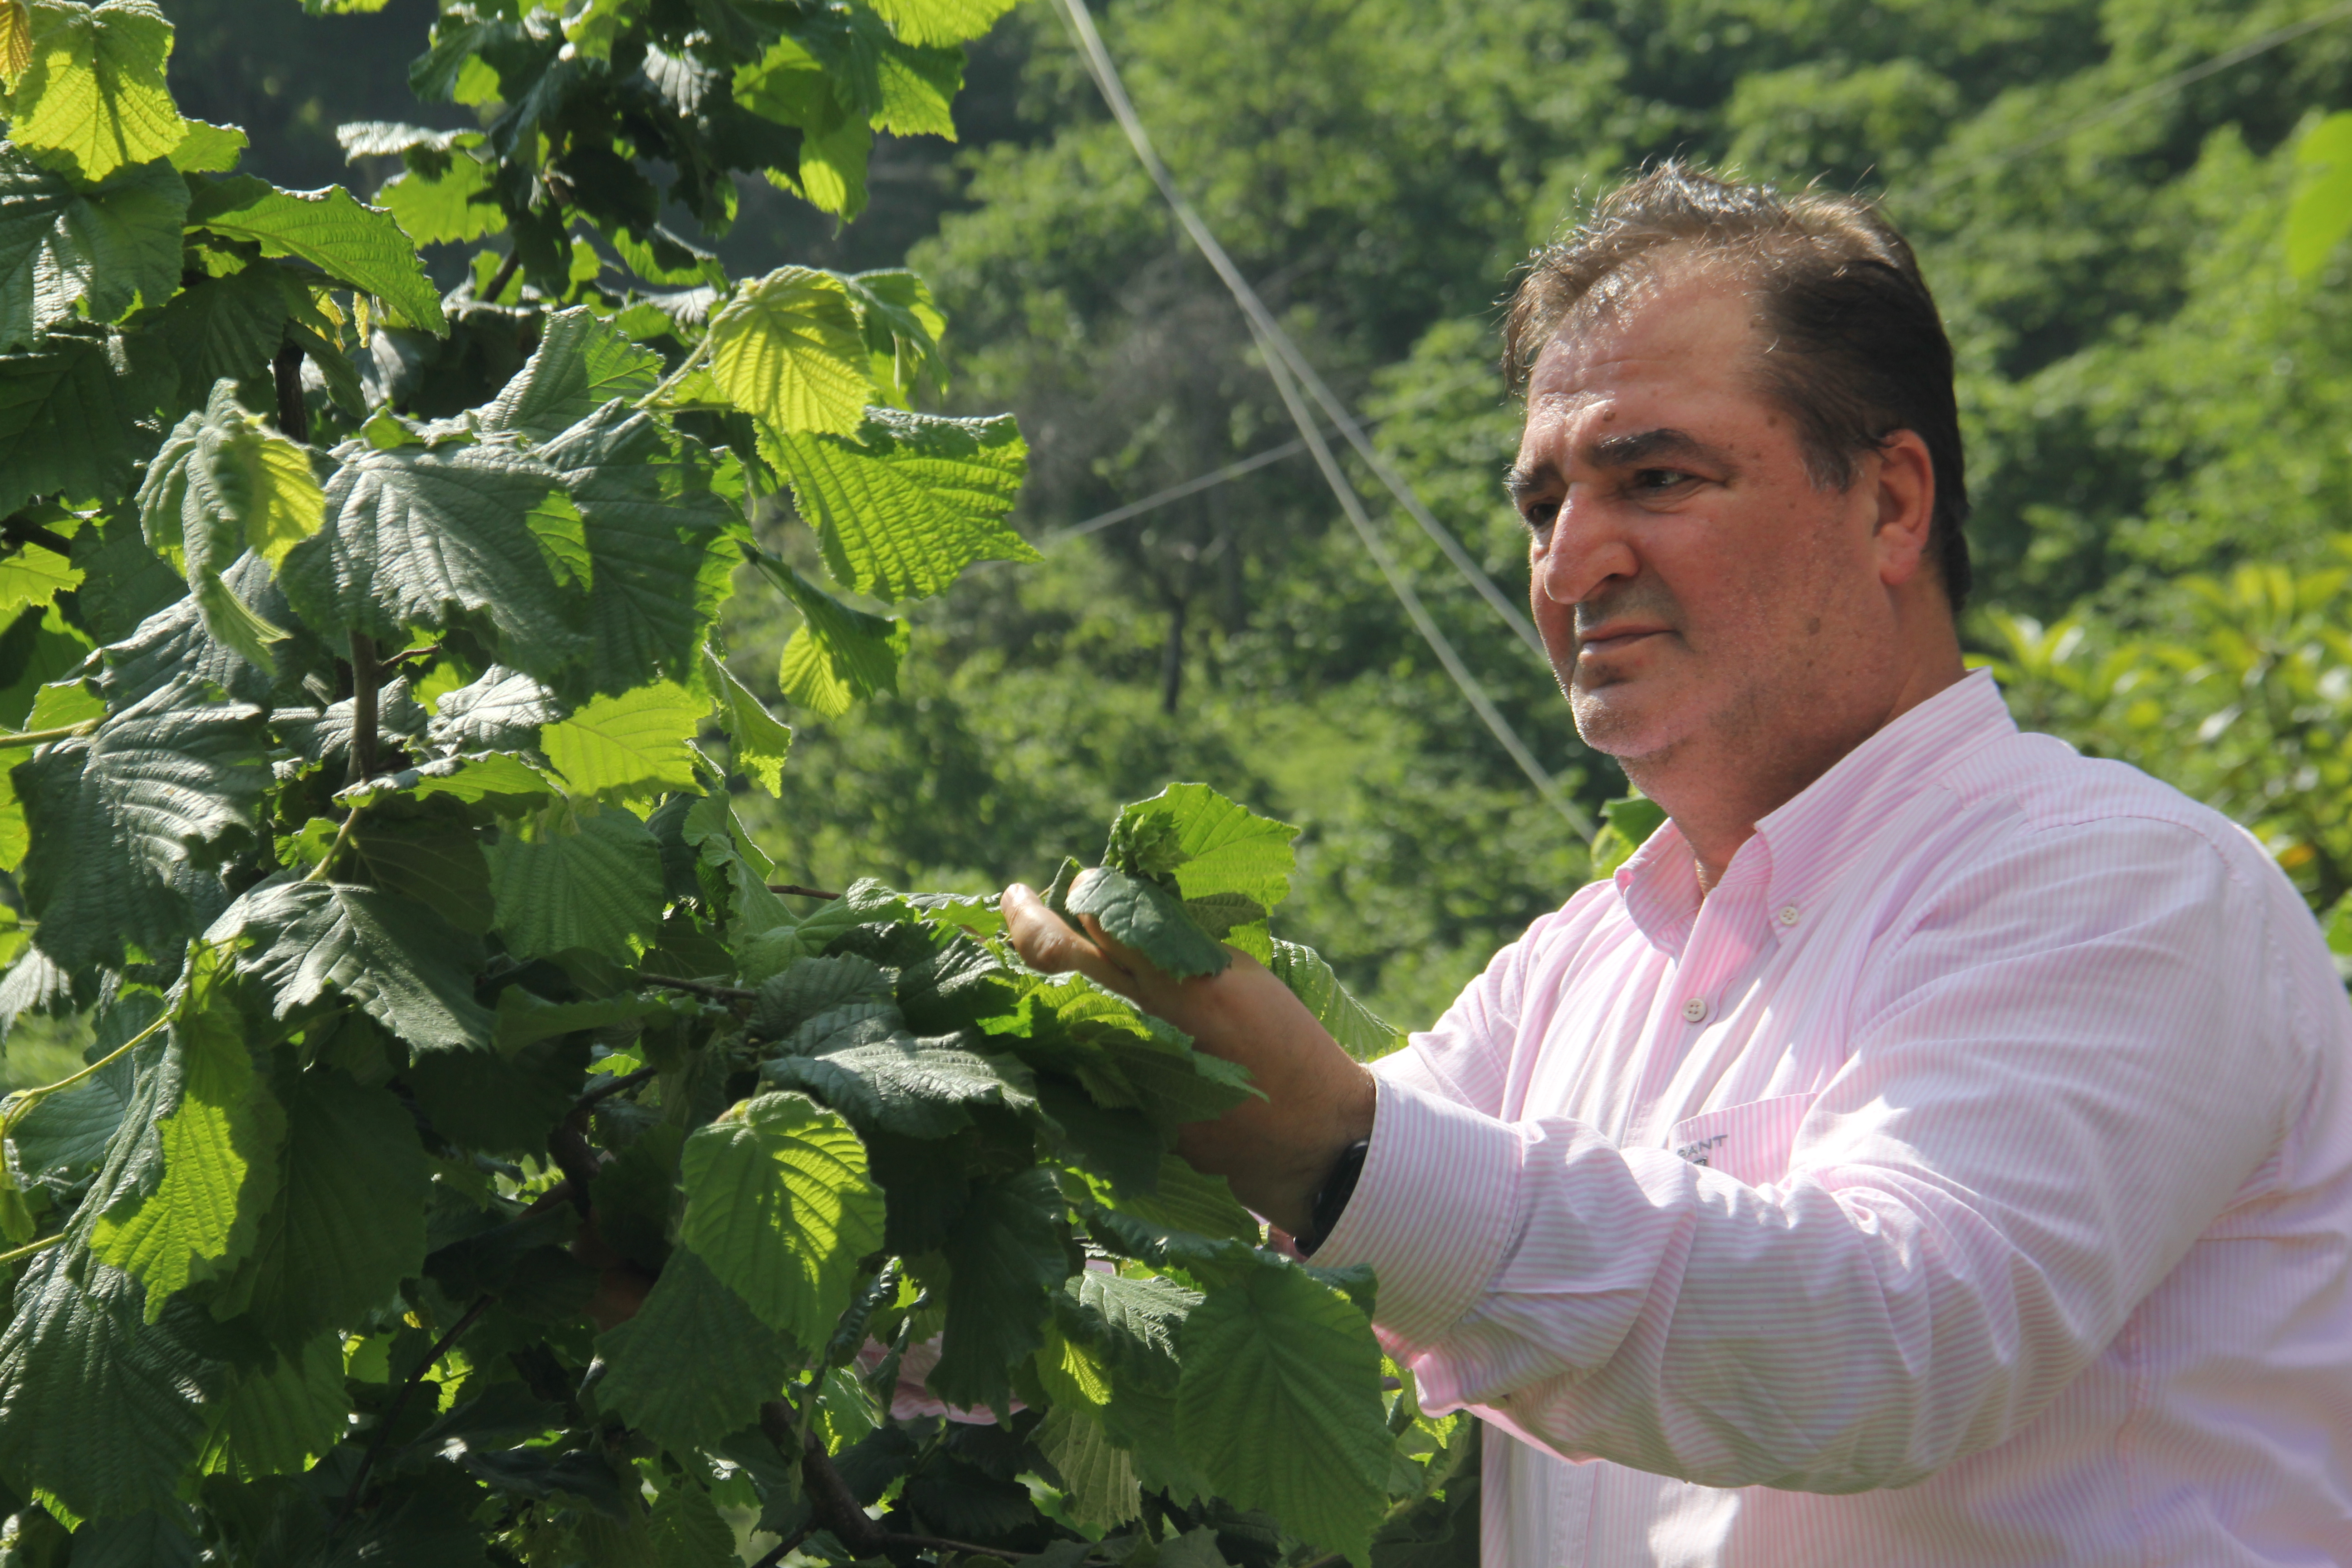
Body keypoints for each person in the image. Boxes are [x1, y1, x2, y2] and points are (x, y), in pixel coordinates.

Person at [1000, 164, 2352, 1567]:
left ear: (1892, 504)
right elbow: (1263, 1225)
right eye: (1540, 508)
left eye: (1655, 478)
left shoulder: (2121, 886)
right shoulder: (1578, 967)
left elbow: (1896, 1339)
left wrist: (1328, 1148)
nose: (1571, 564)